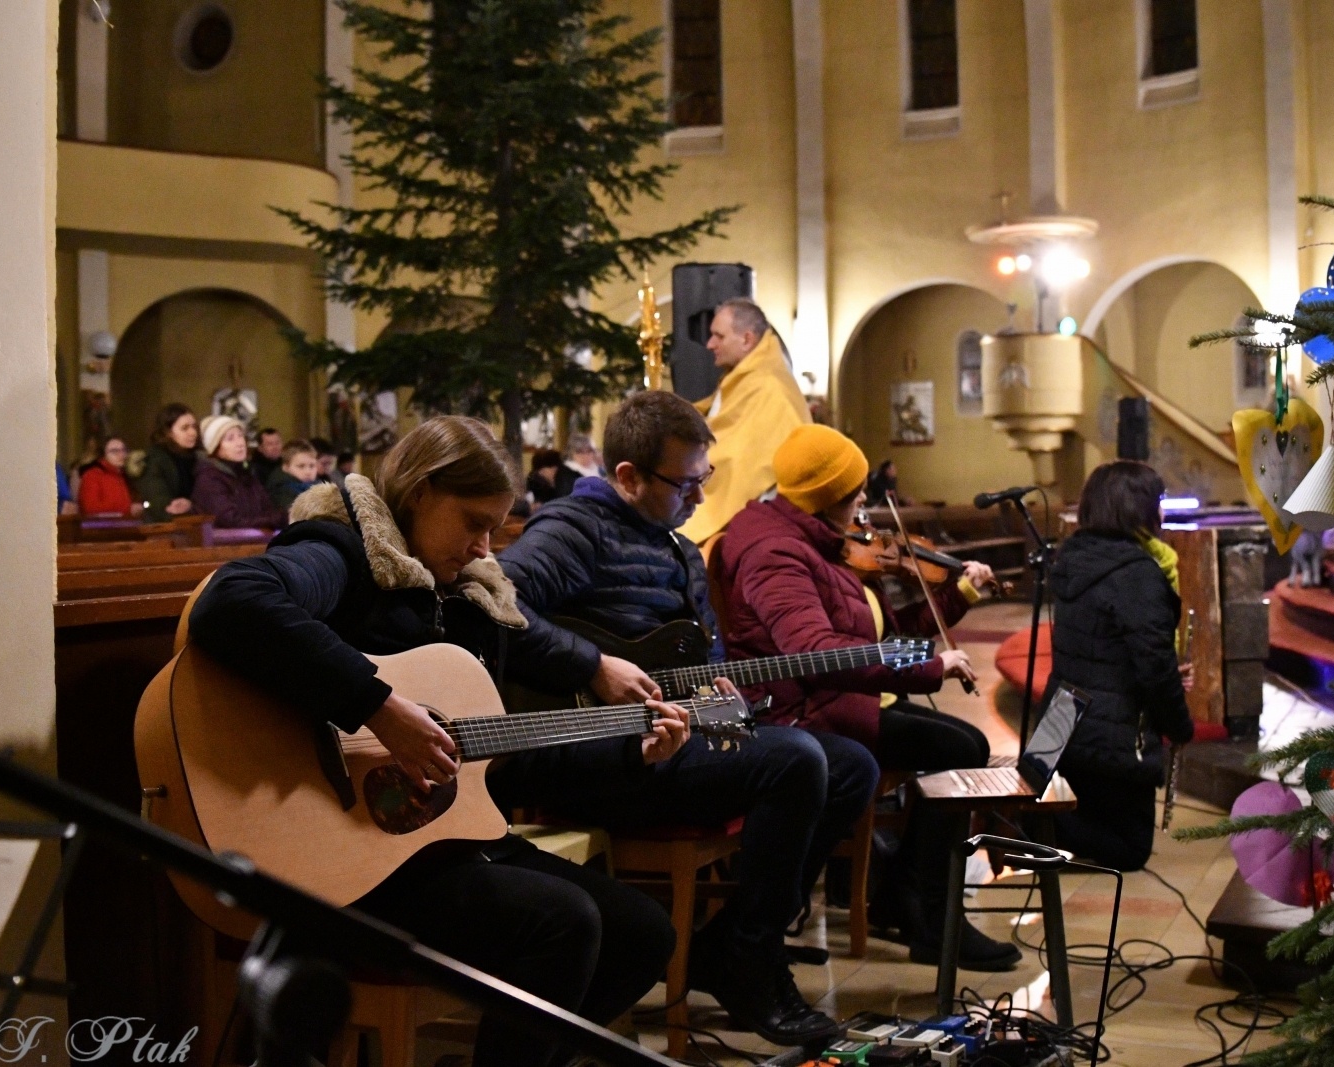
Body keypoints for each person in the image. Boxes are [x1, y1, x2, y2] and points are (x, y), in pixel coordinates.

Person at [187, 416, 678, 1067]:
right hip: (349, 854)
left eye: (495, 527)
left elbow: (499, 765)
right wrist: (378, 704)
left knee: (644, 932)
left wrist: (630, 751)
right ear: (419, 491)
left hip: (444, 843)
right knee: (562, 920)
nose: (483, 547)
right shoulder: (343, 550)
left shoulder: (472, 596)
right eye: (473, 521)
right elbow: (231, 601)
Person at [497, 391, 878, 1047]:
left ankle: (734, 944)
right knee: (796, 761)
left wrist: (721, 693)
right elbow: (497, 605)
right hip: (596, 748)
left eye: (703, 479)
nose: (700, 498)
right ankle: (753, 962)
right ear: (628, 477)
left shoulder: (676, 547)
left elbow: (700, 656)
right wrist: (591, 664)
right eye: (686, 484)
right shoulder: (573, 529)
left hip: (671, 730)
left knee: (849, 764)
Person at [718, 424, 1018, 971]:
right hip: (806, 712)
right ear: (826, 495)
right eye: (855, 489)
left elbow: (883, 634)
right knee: (960, 749)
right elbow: (815, 649)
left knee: (965, 742)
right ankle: (923, 911)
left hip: (847, 697)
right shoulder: (775, 553)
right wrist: (928, 667)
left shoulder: (828, 543)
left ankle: (907, 898)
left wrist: (959, 595)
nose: (864, 499)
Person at [1047, 460, 1195, 872]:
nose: (1161, 513)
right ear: (1136, 509)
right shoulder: (1137, 575)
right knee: (1131, 851)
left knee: (1094, 821)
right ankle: (1027, 824)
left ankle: (1038, 822)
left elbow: (1102, 649)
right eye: (1158, 502)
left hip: (1062, 726)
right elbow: (1154, 668)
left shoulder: (1073, 557)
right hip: (1112, 733)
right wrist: (1179, 726)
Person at [679, 298, 811, 545]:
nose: (710, 344)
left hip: (760, 530)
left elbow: (736, 462)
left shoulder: (769, 387)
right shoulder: (745, 380)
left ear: (747, 339)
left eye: (719, 336)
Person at [192, 415, 285, 529]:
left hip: (255, 541)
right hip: (226, 545)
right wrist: (276, 520)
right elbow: (230, 521)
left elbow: (268, 509)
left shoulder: (247, 474)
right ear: (215, 447)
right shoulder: (209, 480)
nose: (240, 443)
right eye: (230, 439)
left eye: (240, 436)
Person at [135, 403, 200, 521]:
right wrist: (175, 506)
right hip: (164, 527)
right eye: (185, 428)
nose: (193, 433)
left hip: (195, 524)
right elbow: (156, 499)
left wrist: (192, 505)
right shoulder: (154, 460)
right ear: (168, 432)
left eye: (194, 427)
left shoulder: (199, 457)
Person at [77, 436, 140, 517]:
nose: (121, 455)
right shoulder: (92, 476)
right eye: (115, 451)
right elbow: (90, 508)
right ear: (103, 455)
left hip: (125, 525)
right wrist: (127, 508)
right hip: (100, 528)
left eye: (124, 450)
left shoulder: (124, 476)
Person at [268, 439, 321, 517]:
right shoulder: (280, 491)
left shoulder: (321, 488)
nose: (308, 472)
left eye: (312, 466)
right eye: (301, 466)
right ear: (286, 467)